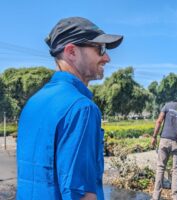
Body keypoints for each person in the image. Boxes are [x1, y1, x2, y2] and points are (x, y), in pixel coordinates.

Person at [17, 17, 123, 200]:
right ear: (71, 52)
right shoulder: (82, 108)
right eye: (100, 49)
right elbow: (80, 193)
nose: (107, 57)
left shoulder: (33, 103)